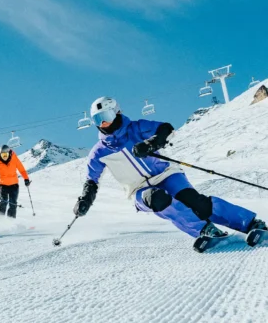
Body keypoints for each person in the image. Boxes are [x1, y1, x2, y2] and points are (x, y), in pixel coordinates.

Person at [73, 96, 266, 244]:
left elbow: (165, 128)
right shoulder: (98, 152)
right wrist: (84, 201)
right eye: (97, 119)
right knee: (157, 198)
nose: (102, 123)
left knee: (196, 202)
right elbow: (91, 181)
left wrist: (150, 143)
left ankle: (250, 223)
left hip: (166, 174)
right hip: (138, 189)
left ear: (115, 112)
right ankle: (205, 231)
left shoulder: (136, 128)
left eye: (105, 117)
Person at [0, 144, 30, 219]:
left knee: (13, 203)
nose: (4, 157)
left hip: (14, 185)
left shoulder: (14, 158)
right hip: (2, 185)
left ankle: (10, 222)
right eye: (3, 155)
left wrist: (26, 179)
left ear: (9, 153)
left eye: (6, 154)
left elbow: (21, 169)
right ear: (0, 154)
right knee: (4, 201)